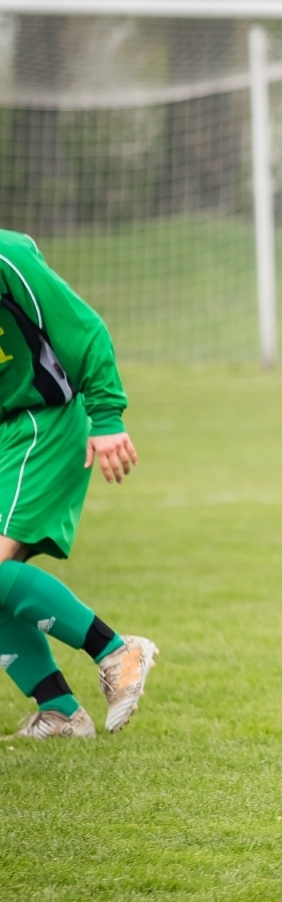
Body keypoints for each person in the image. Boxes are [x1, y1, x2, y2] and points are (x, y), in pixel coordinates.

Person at [0, 229, 158, 739]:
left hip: (39, 425)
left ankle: (117, 651)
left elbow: (84, 328)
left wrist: (108, 418)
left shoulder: (8, 257)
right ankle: (61, 711)